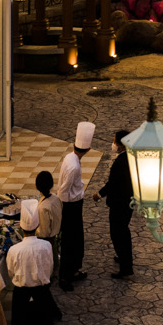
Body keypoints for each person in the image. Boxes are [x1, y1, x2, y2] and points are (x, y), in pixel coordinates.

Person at [5, 198, 60, 325]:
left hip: (22, 294)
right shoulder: (46, 246)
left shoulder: (14, 250)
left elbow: (11, 273)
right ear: (37, 226)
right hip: (42, 292)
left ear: (21, 227)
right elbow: (50, 268)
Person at [55, 122, 93, 288]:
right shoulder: (74, 166)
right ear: (88, 150)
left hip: (72, 205)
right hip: (70, 206)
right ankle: (65, 276)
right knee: (71, 242)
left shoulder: (70, 157)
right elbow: (64, 190)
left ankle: (74, 270)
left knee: (76, 240)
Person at [101, 127, 135, 279]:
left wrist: (99, 193)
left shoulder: (121, 162)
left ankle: (126, 266)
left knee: (118, 233)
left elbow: (113, 183)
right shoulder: (131, 157)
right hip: (127, 201)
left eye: (114, 141)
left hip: (120, 203)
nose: (113, 144)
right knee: (122, 231)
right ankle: (123, 258)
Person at [32, 170, 63, 276]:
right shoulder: (56, 198)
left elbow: (44, 231)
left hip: (48, 240)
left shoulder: (43, 207)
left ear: (37, 186)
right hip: (56, 234)